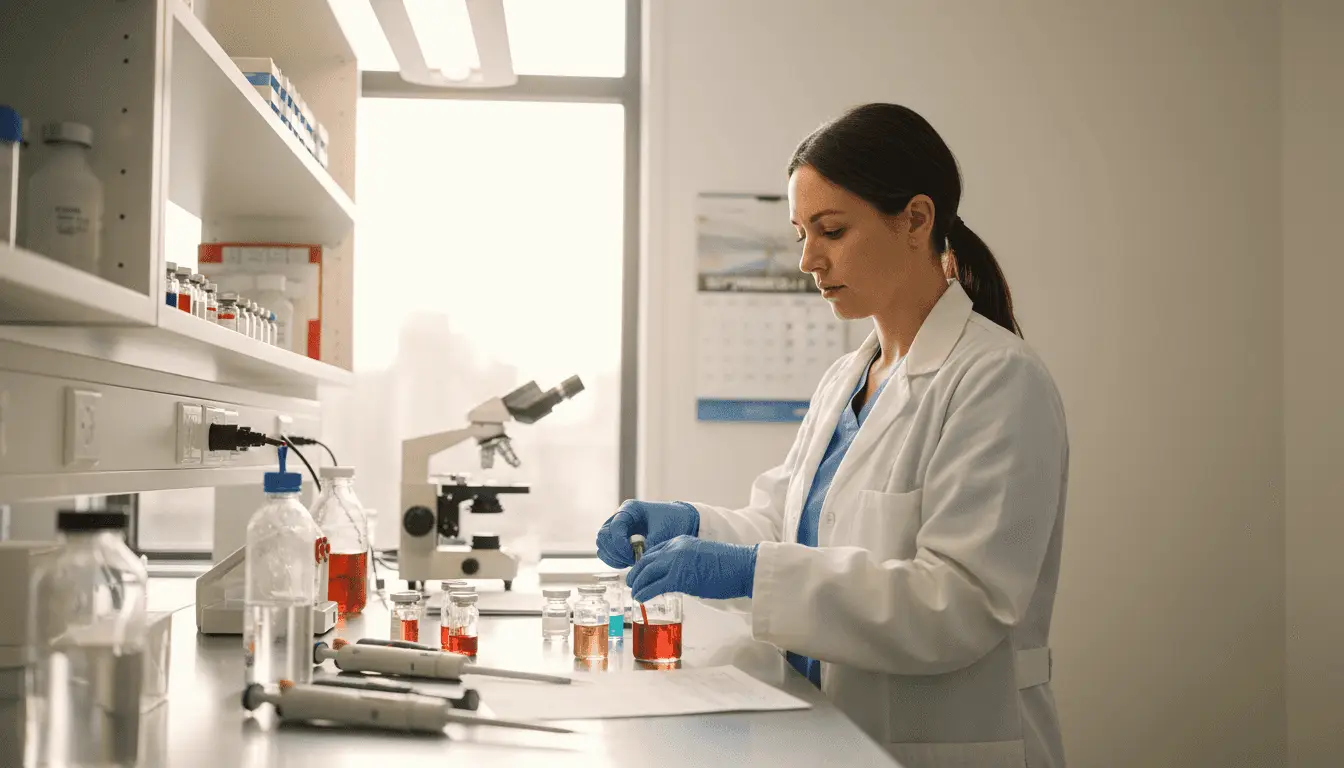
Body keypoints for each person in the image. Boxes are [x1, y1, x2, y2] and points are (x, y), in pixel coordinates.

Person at [596, 103, 1069, 768]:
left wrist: (750, 572)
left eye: (832, 230)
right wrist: (691, 526)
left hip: (943, 745)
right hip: (824, 735)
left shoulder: (997, 381)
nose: (808, 260)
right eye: (800, 235)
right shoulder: (847, 379)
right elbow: (786, 529)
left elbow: (958, 605)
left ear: (916, 219)